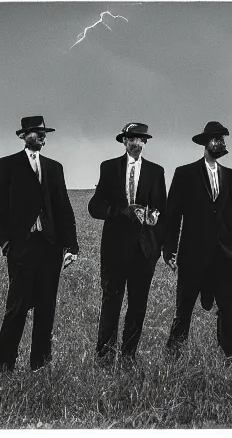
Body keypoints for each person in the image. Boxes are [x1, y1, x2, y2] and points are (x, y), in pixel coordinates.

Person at [0, 116, 79, 371]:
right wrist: (7, 244)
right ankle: (5, 366)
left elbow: (64, 209)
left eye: (44, 133)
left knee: (46, 309)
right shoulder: (7, 165)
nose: (42, 137)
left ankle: (39, 365)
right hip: (21, 248)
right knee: (16, 309)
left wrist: (71, 246)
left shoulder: (54, 167)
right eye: (37, 133)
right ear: (23, 135)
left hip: (50, 248)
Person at [163, 121, 232, 361]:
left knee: (227, 309)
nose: (221, 143)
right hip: (192, 255)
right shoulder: (184, 174)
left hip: (223, 256)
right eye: (216, 139)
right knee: (183, 309)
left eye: (223, 139)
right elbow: (173, 214)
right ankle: (174, 357)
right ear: (205, 143)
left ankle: (229, 357)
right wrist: (169, 249)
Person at [88, 122, 167, 365]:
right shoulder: (109, 168)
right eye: (131, 138)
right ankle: (104, 355)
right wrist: (120, 212)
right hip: (114, 249)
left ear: (145, 142)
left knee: (138, 305)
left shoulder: (156, 172)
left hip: (144, 251)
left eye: (140, 139)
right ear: (124, 141)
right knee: (111, 301)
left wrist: (158, 249)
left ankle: (128, 356)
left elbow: (163, 212)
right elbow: (95, 206)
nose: (135, 143)